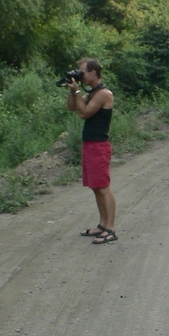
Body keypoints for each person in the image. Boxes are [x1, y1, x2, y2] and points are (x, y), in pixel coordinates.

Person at [66, 58, 117, 244]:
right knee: (96, 187)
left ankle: (110, 229)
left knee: (103, 187)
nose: (81, 76)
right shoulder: (93, 92)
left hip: (99, 146)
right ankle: (102, 225)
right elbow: (72, 107)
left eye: (83, 73)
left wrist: (78, 91)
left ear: (93, 72)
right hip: (89, 145)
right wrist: (73, 91)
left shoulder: (104, 94)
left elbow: (84, 113)